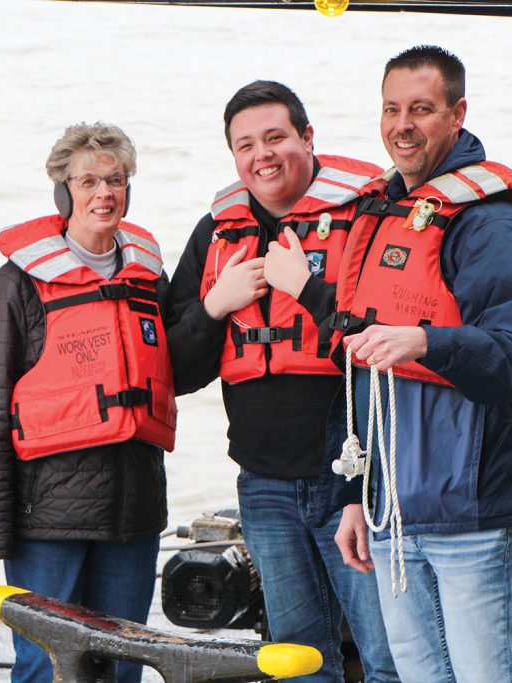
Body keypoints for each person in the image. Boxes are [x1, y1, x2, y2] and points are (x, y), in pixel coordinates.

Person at [329, 45, 512, 682]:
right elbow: (355, 372)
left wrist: (428, 342)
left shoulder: (489, 226)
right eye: (392, 109)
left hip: (473, 508)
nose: (403, 124)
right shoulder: (382, 214)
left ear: (457, 114)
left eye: (422, 109)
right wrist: (355, 495)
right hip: (392, 511)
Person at [165, 81, 399, 682]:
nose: (262, 156)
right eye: (246, 145)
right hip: (264, 484)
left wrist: (306, 289)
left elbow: (391, 343)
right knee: (297, 661)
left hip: (355, 477)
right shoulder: (215, 233)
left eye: (275, 137)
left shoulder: (367, 215)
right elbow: (176, 372)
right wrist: (215, 306)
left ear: (307, 137)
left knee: (387, 654)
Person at [0, 122, 177, 683]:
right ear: (63, 192)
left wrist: (215, 308)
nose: (104, 193)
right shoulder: (16, 284)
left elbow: (175, 370)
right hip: (46, 522)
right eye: (88, 181)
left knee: (126, 660)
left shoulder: (148, 275)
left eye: (116, 180)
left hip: (133, 512)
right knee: (44, 664)